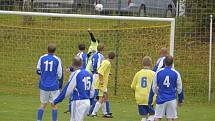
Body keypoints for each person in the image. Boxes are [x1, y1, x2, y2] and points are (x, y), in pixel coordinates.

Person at [53, 56, 93, 121]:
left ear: (73, 64)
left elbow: (68, 89)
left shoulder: (76, 74)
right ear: (82, 63)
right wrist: (90, 101)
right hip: (87, 102)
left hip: (78, 101)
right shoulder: (89, 74)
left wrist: (57, 100)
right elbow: (92, 91)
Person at [36, 43, 64, 121]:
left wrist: (44, 74)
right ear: (55, 51)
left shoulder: (42, 58)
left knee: (43, 104)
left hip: (43, 85)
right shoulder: (57, 59)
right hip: (54, 86)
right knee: (54, 105)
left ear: (47, 49)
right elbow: (60, 74)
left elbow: (38, 71)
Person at [152, 56, 184, 121]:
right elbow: (180, 88)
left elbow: (154, 87)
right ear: (172, 63)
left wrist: (157, 93)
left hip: (161, 98)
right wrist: (180, 100)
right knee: (170, 118)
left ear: (164, 62)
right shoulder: (176, 73)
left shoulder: (158, 72)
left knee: (158, 117)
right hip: (172, 99)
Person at [91, 52, 115, 118]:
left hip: (103, 83)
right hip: (101, 83)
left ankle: (105, 113)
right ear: (113, 58)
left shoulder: (104, 61)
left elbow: (99, 69)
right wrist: (101, 81)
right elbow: (100, 72)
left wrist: (108, 73)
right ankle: (93, 113)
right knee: (101, 98)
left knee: (104, 97)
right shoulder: (107, 63)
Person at [131, 56, 155, 121]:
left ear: (142, 63)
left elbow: (133, 86)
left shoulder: (138, 74)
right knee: (152, 115)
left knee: (143, 116)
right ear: (150, 64)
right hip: (149, 98)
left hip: (140, 98)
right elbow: (156, 86)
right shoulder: (153, 74)